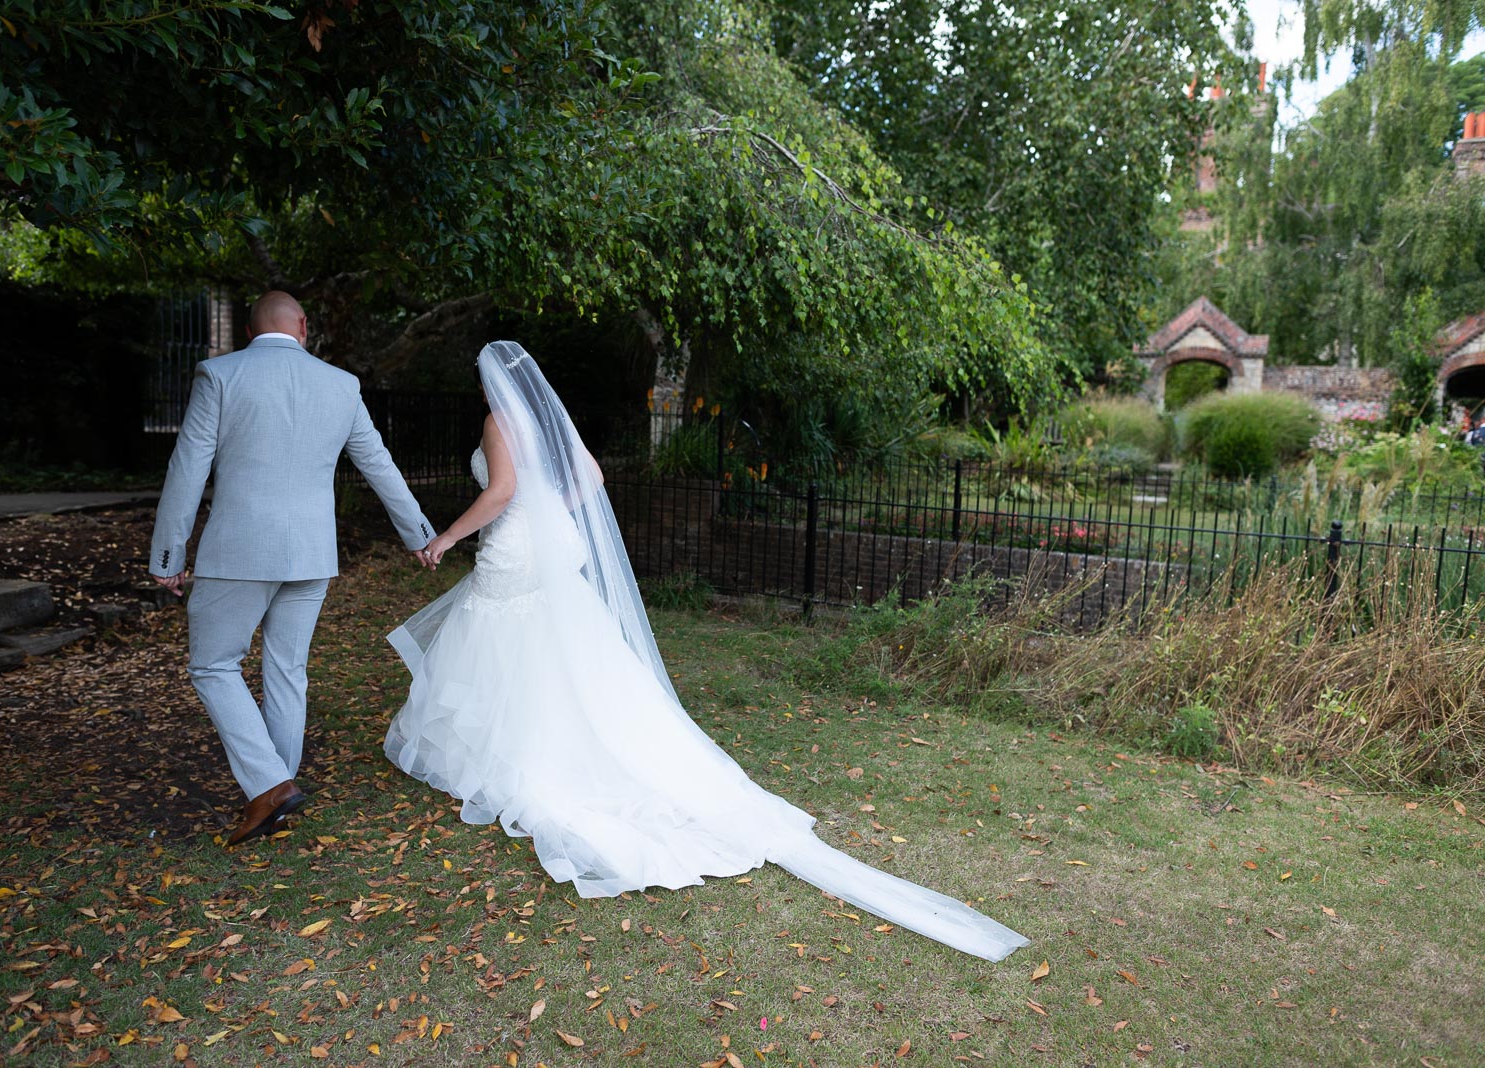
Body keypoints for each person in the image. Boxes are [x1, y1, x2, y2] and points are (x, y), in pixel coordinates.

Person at [384, 341, 1029, 961]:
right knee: (554, 650)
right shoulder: (546, 420)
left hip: (517, 552)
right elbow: (593, 475)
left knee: (508, 639)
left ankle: (521, 744)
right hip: (549, 546)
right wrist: (554, 515)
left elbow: (498, 494)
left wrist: (444, 539)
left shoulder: (499, 420)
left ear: (492, 382)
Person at [150, 291, 439, 847]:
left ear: (249, 330)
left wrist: (169, 551)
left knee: (213, 666)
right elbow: (379, 464)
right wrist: (420, 534)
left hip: (239, 550)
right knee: (287, 669)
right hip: (311, 553)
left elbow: (187, 466)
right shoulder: (340, 384)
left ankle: (270, 787)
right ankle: (276, 788)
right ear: (303, 326)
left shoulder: (220, 374)